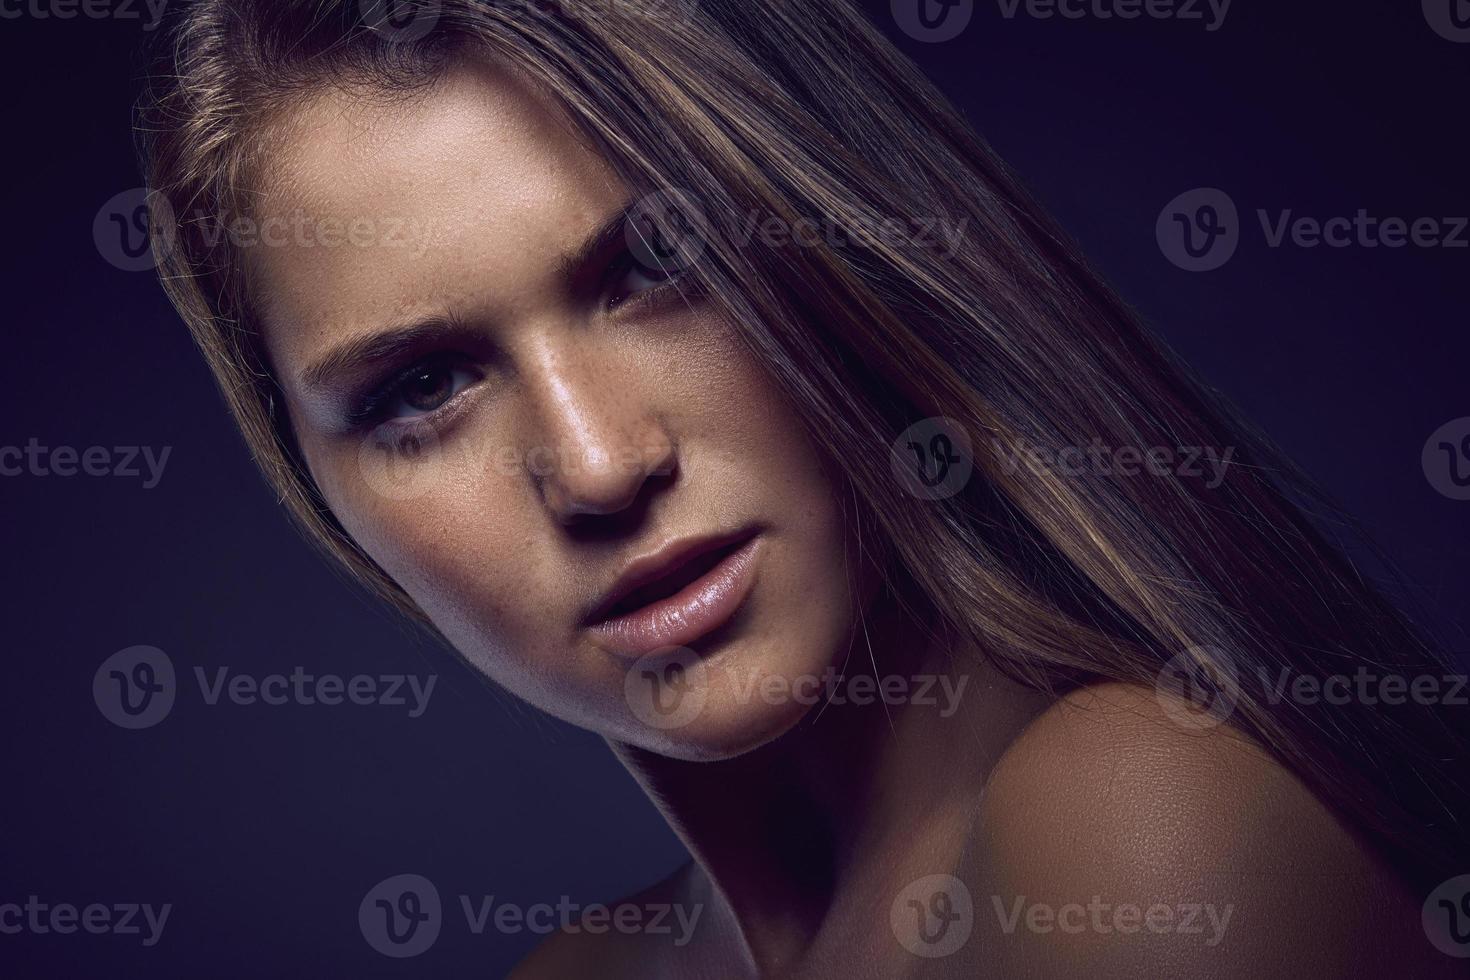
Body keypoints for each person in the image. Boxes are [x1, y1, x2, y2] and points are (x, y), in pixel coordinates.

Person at [137, 1, 1469, 975]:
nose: (599, 464)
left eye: (657, 262)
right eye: (419, 388)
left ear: (831, 239)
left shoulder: (1130, 843)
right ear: (315, 482)